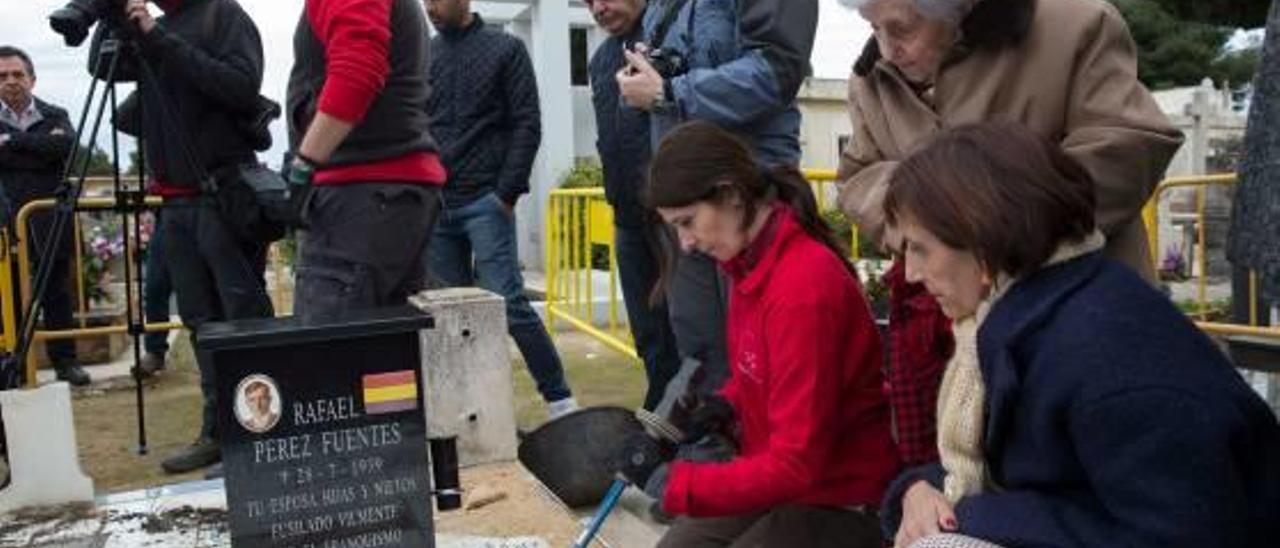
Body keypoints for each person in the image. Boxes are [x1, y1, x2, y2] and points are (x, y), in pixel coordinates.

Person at [879, 122, 1280, 548]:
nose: (912, 273)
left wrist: (973, 517)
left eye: (920, 248)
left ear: (981, 236)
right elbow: (1011, 474)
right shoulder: (1035, 316)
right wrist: (918, 492)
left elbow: (1188, 532)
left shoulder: (1108, 353)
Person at [834, 0, 1184, 471]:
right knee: (952, 487)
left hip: (1073, 325)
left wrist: (981, 220)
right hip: (945, 339)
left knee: (1089, 479)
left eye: (901, 28)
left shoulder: (1076, 24)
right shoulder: (871, 76)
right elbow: (856, 177)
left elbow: (1130, 143)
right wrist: (931, 224)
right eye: (873, 27)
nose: (886, 48)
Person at [618, 121, 898, 547]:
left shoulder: (802, 287)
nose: (687, 243)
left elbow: (795, 464)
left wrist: (673, 483)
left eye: (688, 221)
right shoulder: (747, 267)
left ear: (730, 194)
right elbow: (766, 376)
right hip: (787, 483)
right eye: (676, 227)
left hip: (840, 498)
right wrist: (723, 405)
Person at [617, 0, 819, 401]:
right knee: (699, 345)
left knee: (767, 351)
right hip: (686, 189)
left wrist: (671, 90)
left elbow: (779, 69)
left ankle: (755, 454)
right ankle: (713, 440)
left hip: (748, 192)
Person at [118, 0, 275, 474]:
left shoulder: (221, 15)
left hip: (223, 194)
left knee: (240, 317)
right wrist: (114, 20)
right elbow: (106, 77)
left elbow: (242, 87)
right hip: (176, 200)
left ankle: (259, 433)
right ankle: (217, 431)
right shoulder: (154, 29)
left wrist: (161, 42)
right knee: (200, 322)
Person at [424, 0, 576, 419]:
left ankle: (561, 403)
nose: (429, 8)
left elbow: (527, 122)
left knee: (509, 304)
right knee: (452, 316)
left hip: (485, 202)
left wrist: (506, 193)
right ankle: (472, 413)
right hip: (436, 206)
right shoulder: (425, 55)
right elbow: (416, 124)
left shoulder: (505, 50)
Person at [287, 0, 445, 319]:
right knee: (386, 356)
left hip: (359, 197)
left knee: (329, 354)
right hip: (386, 196)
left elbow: (357, 71)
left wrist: (302, 167)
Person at [586, 0, 680, 411]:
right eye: (588, 2)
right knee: (648, 334)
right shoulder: (601, 58)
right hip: (626, 217)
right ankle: (662, 414)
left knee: (687, 330)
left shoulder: (670, 36)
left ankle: (694, 426)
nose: (599, 8)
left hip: (674, 217)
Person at [0, 46, 89, 387]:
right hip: (6, 220)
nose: (11, 82)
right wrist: (38, 147)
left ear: (32, 79)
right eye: (3, 76)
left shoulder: (56, 114)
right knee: (8, 294)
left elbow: (66, 147)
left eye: (18, 74)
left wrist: (11, 143)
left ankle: (65, 362)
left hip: (48, 217)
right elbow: (48, 150)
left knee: (56, 292)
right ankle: (13, 363)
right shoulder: (47, 125)